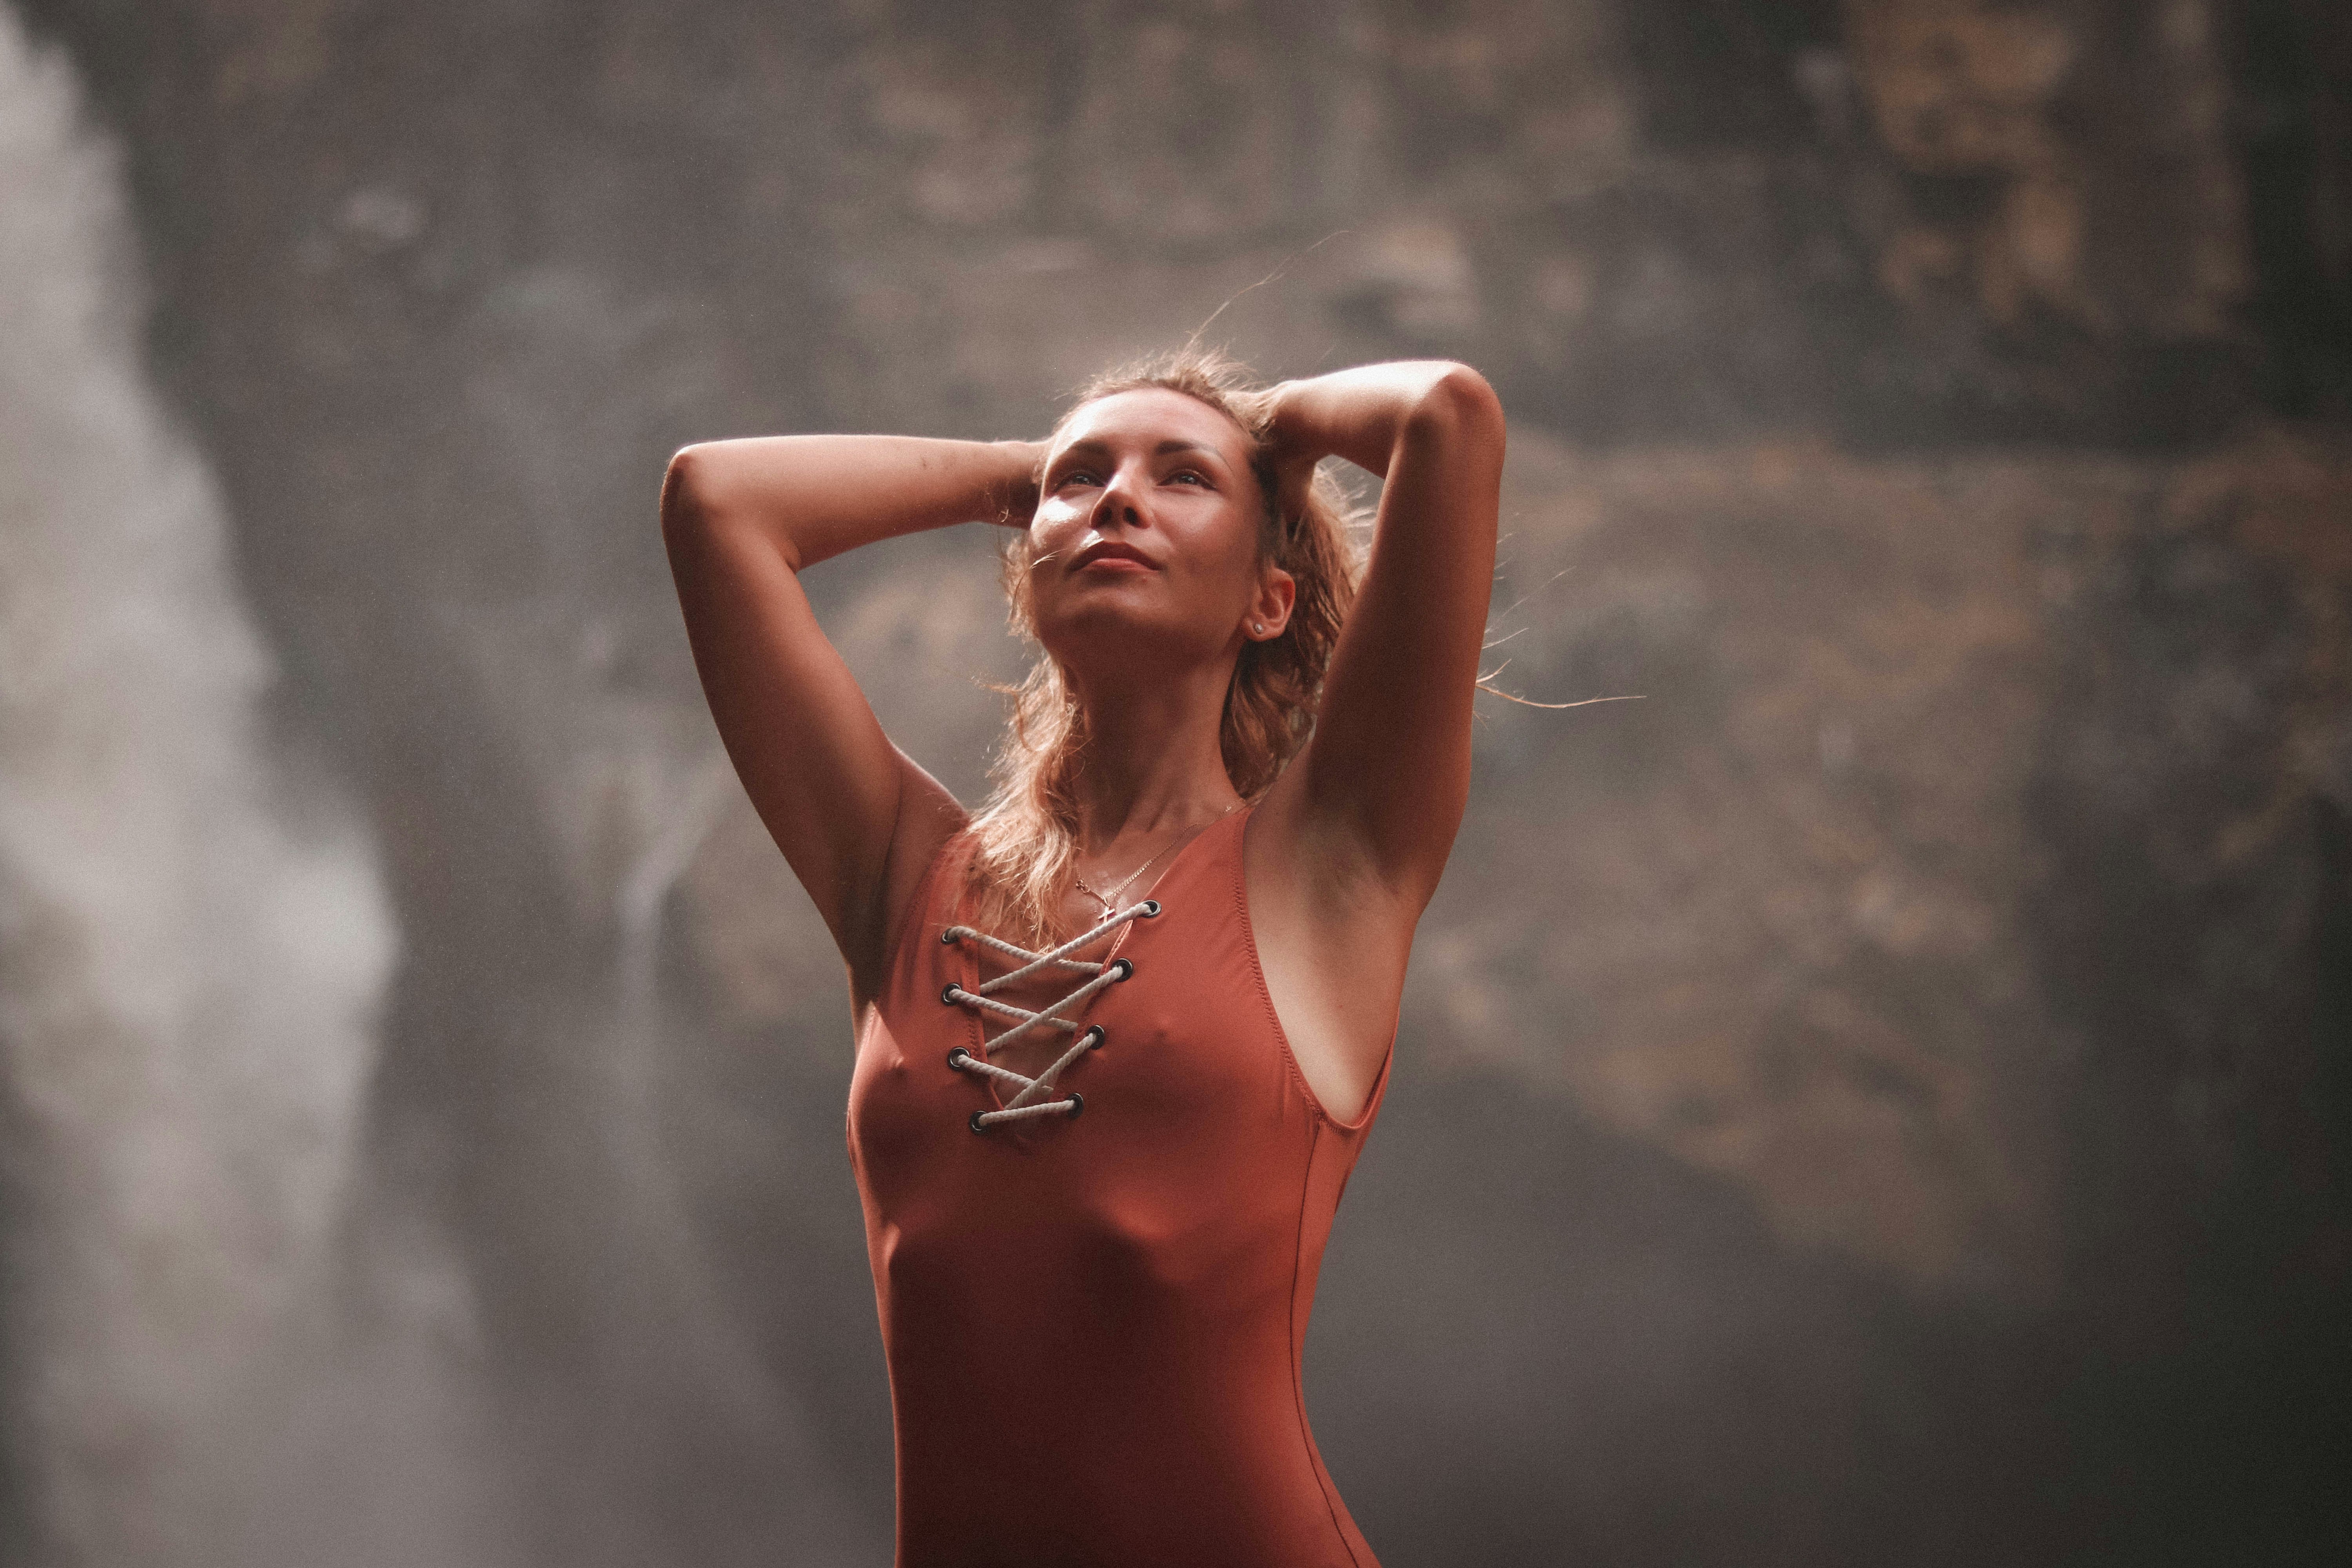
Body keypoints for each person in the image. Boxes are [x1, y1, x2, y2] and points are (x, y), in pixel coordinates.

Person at [660, 348, 1504, 1566]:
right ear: (1026, 581)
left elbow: (1447, 415)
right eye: (1086, 480)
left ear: (1268, 599)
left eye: (1182, 483)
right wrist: (1028, 478)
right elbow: (715, 502)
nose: (1118, 498)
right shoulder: (902, 876)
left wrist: (1266, 432)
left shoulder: (1331, 864)